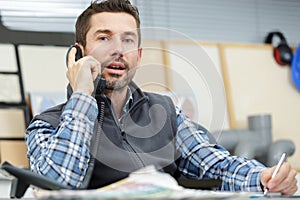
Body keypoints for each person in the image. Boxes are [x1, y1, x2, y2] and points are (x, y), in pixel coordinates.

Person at [25, 0, 298, 194]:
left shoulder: (165, 112)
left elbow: (215, 165)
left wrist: (263, 177)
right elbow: (59, 183)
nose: (118, 50)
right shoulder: (47, 124)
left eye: (128, 40)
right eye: (104, 38)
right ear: (79, 54)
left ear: (139, 56)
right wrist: (83, 94)